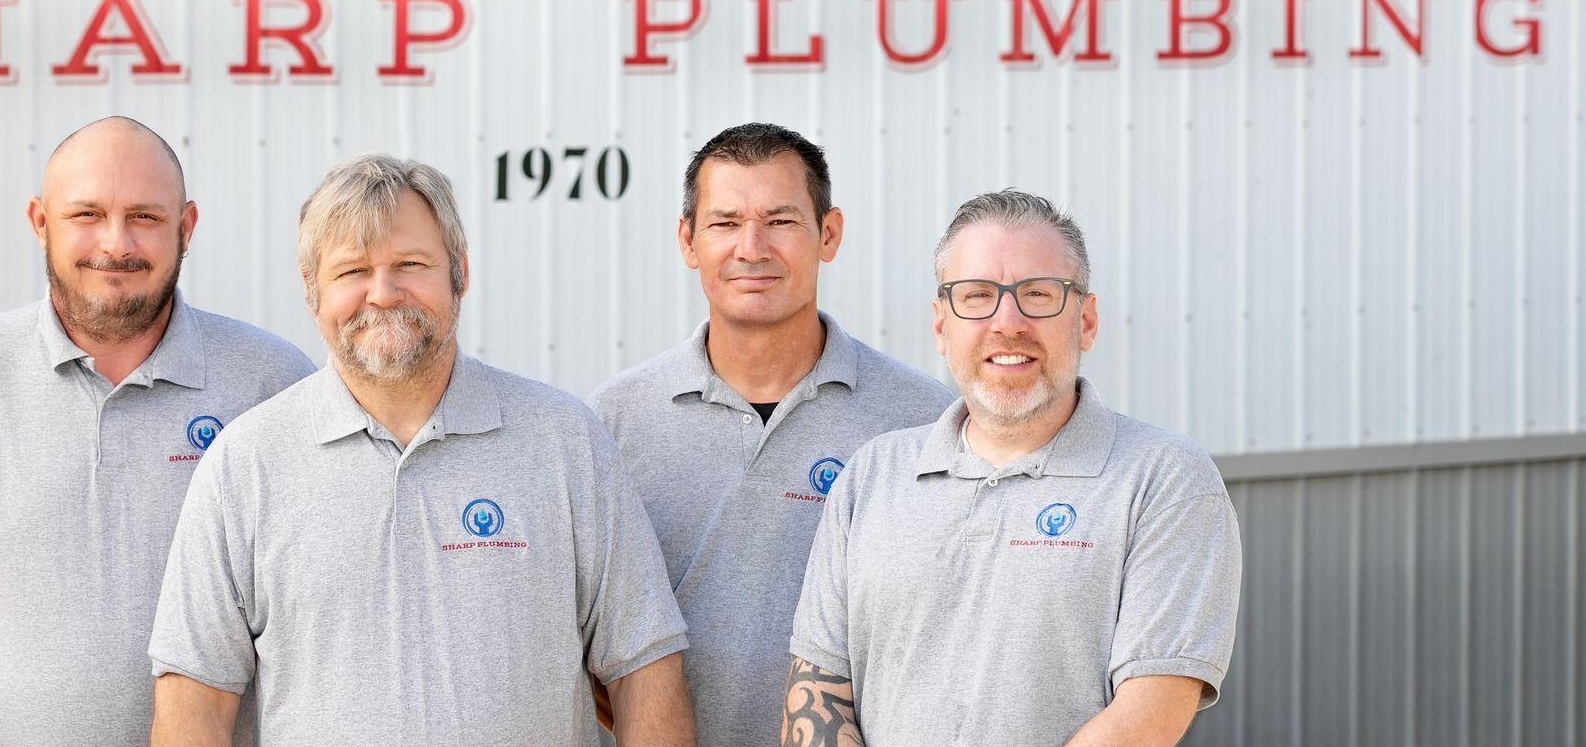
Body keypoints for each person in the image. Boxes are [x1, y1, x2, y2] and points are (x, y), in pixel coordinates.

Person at [148, 154, 697, 746]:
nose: (383, 293)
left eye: (410, 264)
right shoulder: (244, 464)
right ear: (311, 290)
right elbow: (194, 709)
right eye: (353, 270)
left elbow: (645, 671)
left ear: (460, 272)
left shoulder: (566, 442)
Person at [0, 116, 315, 747]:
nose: (116, 242)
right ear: (40, 222)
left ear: (186, 228)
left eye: (145, 216)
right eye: (87, 214)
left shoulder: (274, 384)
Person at [784, 189, 1242, 747]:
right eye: (977, 296)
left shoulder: (1164, 480)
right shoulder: (872, 475)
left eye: (1038, 294)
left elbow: (1148, 715)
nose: (1008, 322)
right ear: (941, 325)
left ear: (1086, 321)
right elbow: (817, 691)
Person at [591, 123, 950, 746]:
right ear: (688, 240)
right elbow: (588, 640)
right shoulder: (611, 423)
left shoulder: (921, 419)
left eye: (780, 221)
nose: (751, 248)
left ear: (828, 234)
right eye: (725, 223)